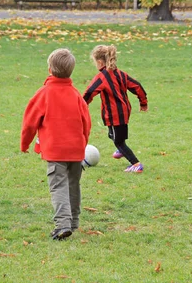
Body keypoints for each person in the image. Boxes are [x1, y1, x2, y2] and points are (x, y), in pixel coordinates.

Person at [20, 48, 91, 240]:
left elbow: (29, 122)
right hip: (76, 150)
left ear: (49, 69)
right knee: (73, 185)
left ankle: (62, 224)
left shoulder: (44, 93)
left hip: (55, 151)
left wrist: (25, 144)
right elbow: (87, 122)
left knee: (58, 186)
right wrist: (83, 142)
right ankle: (73, 221)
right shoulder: (76, 95)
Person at [83, 45, 148, 173]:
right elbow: (137, 86)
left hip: (114, 115)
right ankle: (121, 150)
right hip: (124, 112)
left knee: (118, 141)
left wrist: (81, 105)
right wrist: (143, 102)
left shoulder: (101, 77)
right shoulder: (121, 74)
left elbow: (89, 92)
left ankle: (136, 164)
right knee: (114, 134)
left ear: (100, 62)